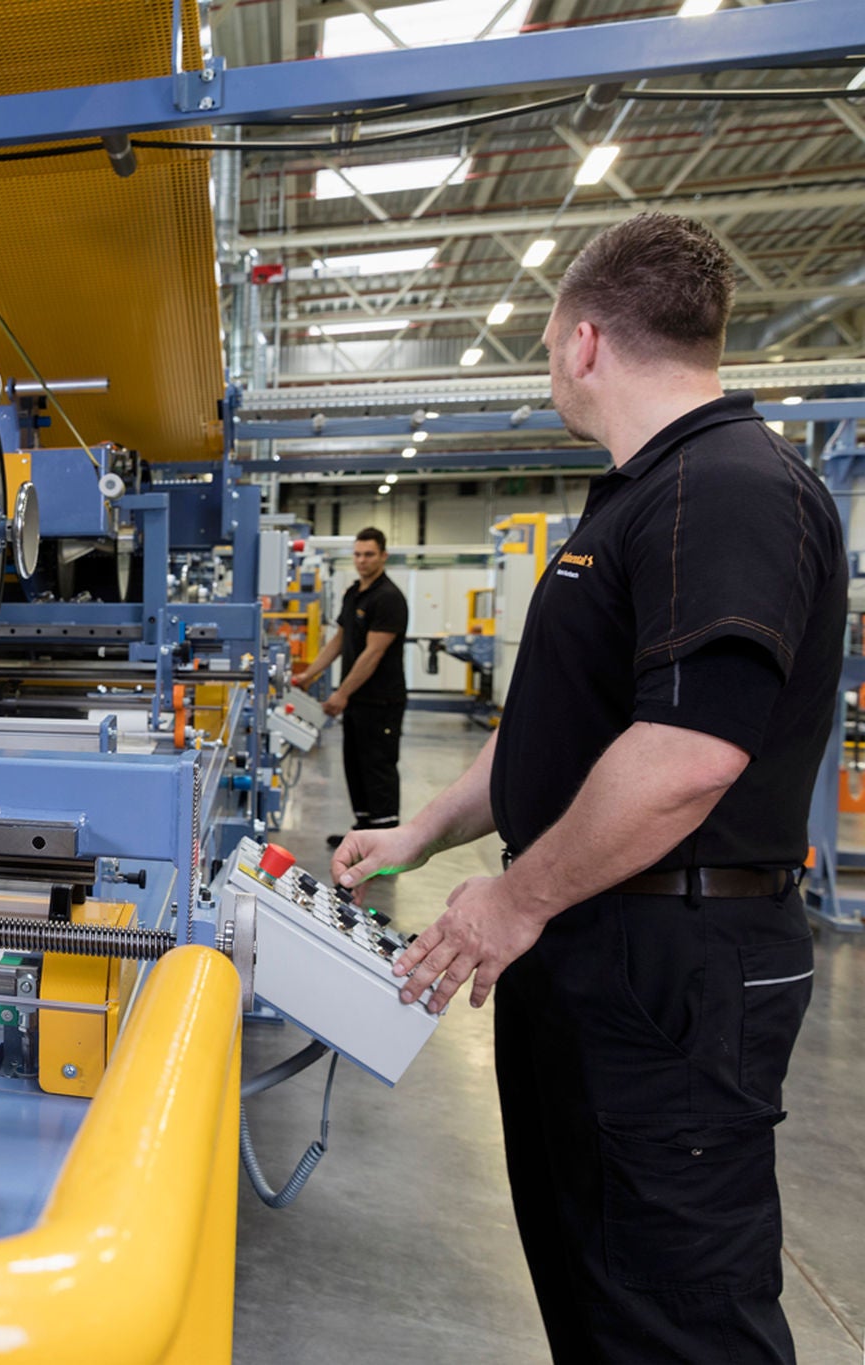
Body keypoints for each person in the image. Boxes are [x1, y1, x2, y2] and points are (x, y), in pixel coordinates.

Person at [332, 213, 843, 1365]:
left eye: (548, 344)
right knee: (595, 1288)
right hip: (605, 950)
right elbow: (550, 738)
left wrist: (509, 903)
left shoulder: (724, 489)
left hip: (670, 968)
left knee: (672, 1317)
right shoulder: (636, 497)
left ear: (582, 343)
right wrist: (421, 830)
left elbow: (684, 755)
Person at [292, 527, 408, 841]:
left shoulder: (388, 598)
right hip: (358, 700)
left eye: (369, 554)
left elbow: (374, 653)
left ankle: (384, 838)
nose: (362, 560)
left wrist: (341, 693)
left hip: (381, 701)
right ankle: (363, 833)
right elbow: (339, 642)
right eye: (357, 554)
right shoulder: (354, 593)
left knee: (377, 768)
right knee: (355, 766)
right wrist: (308, 675)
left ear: (383, 555)